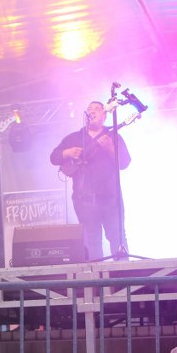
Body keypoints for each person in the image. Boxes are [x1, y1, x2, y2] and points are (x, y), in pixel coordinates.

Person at [50, 100, 132, 260]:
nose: (92, 111)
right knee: (91, 241)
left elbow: (124, 163)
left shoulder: (113, 136)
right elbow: (53, 157)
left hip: (110, 197)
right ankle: (95, 274)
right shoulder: (74, 138)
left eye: (96, 109)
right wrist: (67, 153)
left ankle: (123, 272)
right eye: (89, 109)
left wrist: (110, 148)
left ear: (104, 116)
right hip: (83, 199)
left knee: (117, 237)